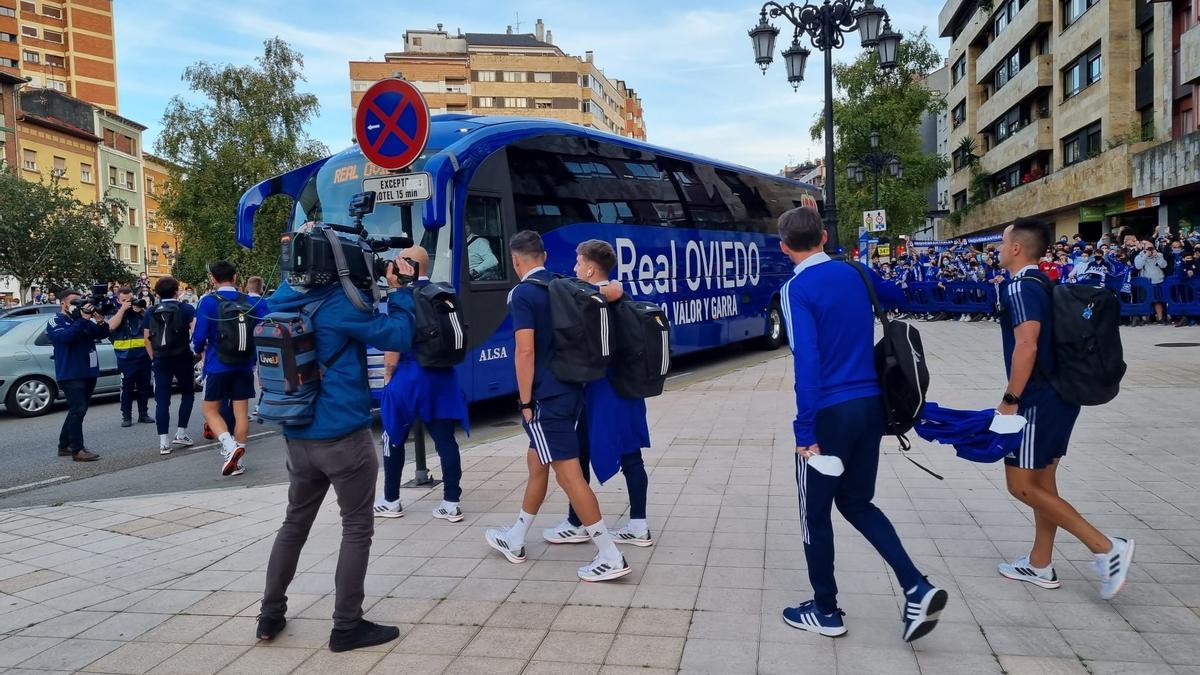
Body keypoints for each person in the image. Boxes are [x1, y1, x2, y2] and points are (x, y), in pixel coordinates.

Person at [776, 206, 946, 642]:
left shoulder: (797, 289)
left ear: (783, 247)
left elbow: (807, 364)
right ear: (824, 237)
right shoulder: (855, 273)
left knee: (815, 514)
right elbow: (897, 297)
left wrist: (804, 430)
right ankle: (915, 585)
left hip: (829, 414)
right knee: (856, 502)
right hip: (870, 406)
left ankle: (826, 610)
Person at [257, 250, 417, 653]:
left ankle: (270, 614)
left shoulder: (282, 298)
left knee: (294, 524)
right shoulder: (340, 304)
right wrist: (400, 290)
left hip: (296, 434)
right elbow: (397, 335)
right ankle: (347, 626)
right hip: (343, 437)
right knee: (357, 528)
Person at [994, 219, 1134, 599]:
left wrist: (1010, 400)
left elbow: (1028, 344)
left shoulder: (1021, 286)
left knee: (1021, 486)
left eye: (1004, 241)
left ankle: (1107, 549)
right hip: (1060, 395)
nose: (999, 247)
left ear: (1018, 248)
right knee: (1042, 484)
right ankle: (1040, 563)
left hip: (1038, 399)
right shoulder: (1043, 281)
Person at [484, 230, 631, 582]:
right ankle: (516, 537)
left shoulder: (522, 294)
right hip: (571, 389)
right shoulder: (564, 283)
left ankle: (610, 555)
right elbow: (614, 290)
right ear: (545, 256)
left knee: (569, 475)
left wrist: (523, 401)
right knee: (537, 462)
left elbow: (525, 351)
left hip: (544, 398)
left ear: (516, 261)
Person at [542, 240, 654, 548]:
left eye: (578, 263)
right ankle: (638, 524)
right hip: (629, 387)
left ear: (591, 268)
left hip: (600, 390)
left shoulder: (585, 299)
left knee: (577, 455)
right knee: (631, 455)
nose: (574, 268)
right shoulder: (620, 296)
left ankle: (577, 523)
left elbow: (556, 287)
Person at [375, 246, 469, 522]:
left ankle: (391, 499)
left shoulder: (403, 296)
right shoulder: (443, 293)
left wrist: (388, 374)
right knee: (445, 440)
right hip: (443, 375)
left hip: (409, 375)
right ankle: (451, 502)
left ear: (407, 265)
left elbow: (393, 342)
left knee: (393, 437)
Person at [193, 260, 267, 476]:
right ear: (235, 278)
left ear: (212, 279)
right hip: (244, 364)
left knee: (210, 410)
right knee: (241, 412)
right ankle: (238, 458)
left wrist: (198, 350)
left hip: (217, 364)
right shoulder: (250, 300)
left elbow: (199, 337)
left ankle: (229, 446)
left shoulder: (208, 301)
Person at [46, 288, 110, 462]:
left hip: (88, 371)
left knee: (77, 410)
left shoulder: (81, 320)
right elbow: (66, 337)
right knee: (78, 409)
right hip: (70, 372)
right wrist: (83, 319)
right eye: (74, 302)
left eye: (79, 301)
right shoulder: (56, 320)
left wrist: (99, 319)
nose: (78, 305)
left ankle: (64, 445)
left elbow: (103, 334)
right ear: (63, 304)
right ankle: (77, 450)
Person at [146, 276, 197, 455]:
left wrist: (154, 357)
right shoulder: (186, 309)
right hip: (182, 356)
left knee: (162, 400)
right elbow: (195, 332)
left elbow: (147, 338)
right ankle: (181, 432)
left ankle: (163, 442)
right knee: (187, 394)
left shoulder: (150, 311)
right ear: (176, 291)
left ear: (157, 293)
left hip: (160, 358)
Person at [106, 287, 154, 427]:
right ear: (118, 300)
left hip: (143, 356)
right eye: (124, 300)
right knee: (127, 389)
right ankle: (126, 416)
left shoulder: (139, 312)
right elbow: (111, 326)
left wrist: (141, 309)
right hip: (125, 358)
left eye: (130, 299)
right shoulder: (115, 312)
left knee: (144, 388)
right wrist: (122, 309)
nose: (128, 302)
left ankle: (143, 414)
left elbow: (150, 326)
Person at [1135, 240, 1168, 324]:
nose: (1150, 249)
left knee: (1158, 301)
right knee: (1145, 300)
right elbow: (1138, 266)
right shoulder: (1140, 256)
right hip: (1145, 283)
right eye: (1148, 248)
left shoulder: (1159, 255)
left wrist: (1156, 256)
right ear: (1144, 248)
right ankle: (1144, 319)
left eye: (1151, 248)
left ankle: (1160, 318)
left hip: (1158, 281)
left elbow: (1164, 265)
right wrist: (1145, 255)